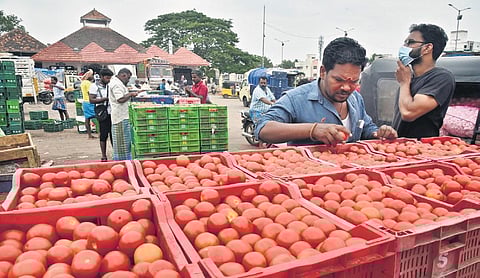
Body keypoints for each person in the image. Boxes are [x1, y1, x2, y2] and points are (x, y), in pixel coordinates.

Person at [255, 37, 397, 146]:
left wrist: (378, 133)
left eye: (354, 81)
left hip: (352, 179)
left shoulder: (355, 99)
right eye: (339, 80)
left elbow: (365, 126)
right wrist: (313, 130)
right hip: (311, 180)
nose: (346, 88)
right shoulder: (297, 99)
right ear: (323, 72)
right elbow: (263, 129)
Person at [392, 24, 455, 138]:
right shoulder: (409, 79)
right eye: (404, 43)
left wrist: (404, 83)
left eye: (410, 42)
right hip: (399, 148)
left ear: (427, 48)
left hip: (421, 149)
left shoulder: (441, 77)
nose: (404, 47)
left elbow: (408, 113)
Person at [109, 68, 138, 160]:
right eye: (128, 78)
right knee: (122, 142)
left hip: (122, 115)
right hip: (120, 117)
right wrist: (130, 94)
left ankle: (124, 160)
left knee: (124, 142)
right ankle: (122, 161)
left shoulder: (117, 83)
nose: (128, 80)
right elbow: (120, 99)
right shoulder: (116, 84)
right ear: (123, 75)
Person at [89, 68, 114, 161]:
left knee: (113, 134)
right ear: (101, 77)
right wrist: (105, 99)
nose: (109, 80)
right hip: (102, 113)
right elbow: (91, 100)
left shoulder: (110, 85)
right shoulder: (94, 86)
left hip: (112, 112)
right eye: (107, 78)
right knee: (103, 134)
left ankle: (115, 153)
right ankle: (103, 155)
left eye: (110, 78)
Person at [80, 69, 96, 139]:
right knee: (98, 117)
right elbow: (91, 93)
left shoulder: (83, 82)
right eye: (92, 75)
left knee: (87, 119)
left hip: (85, 102)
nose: (93, 77)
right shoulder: (88, 83)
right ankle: (100, 133)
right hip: (90, 101)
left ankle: (89, 135)